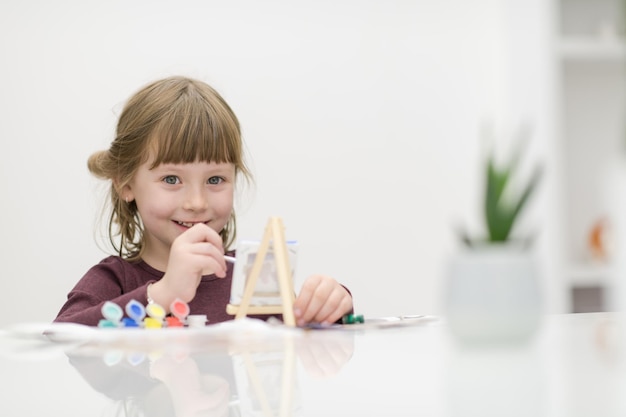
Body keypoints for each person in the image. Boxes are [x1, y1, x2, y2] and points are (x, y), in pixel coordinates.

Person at [54, 76, 353, 327]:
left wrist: (331, 307)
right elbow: (59, 342)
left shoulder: (253, 280)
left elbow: (301, 344)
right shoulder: (113, 281)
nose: (197, 202)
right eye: (171, 179)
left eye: (215, 180)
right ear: (126, 184)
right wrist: (162, 295)